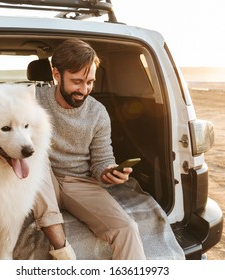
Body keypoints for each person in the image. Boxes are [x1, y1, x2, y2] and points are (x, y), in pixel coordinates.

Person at [33, 38, 146, 260]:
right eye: (77, 82)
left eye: (90, 82)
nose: (84, 90)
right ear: (56, 75)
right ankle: (63, 252)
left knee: (127, 228)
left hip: (79, 183)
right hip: (40, 179)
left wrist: (109, 172)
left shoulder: (98, 113)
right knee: (37, 158)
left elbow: (102, 160)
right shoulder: (32, 99)